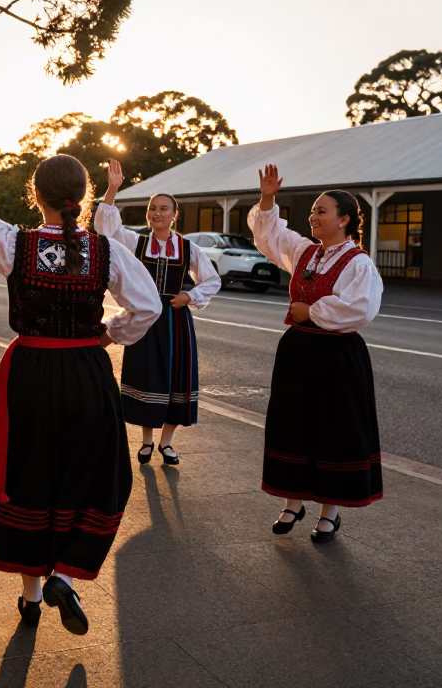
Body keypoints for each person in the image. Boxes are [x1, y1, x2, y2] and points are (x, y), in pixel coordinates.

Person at [0, 114, 161, 635]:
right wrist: (108, 332)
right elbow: (149, 307)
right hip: (87, 373)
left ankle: (31, 598)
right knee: (99, 476)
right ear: (83, 197)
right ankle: (65, 573)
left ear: (35, 196)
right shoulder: (106, 252)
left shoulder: (14, 244)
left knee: (30, 482)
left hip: (32, 377)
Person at [247, 164, 384, 544]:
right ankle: (293, 501)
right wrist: (268, 197)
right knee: (294, 425)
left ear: (344, 220)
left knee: (332, 431)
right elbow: (270, 236)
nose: (313, 216)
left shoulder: (358, 262)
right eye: (312, 211)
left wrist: (314, 311)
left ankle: (330, 512)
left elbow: (361, 309)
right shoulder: (305, 251)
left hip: (337, 355)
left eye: (321, 211)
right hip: (298, 352)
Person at [95, 158, 221, 466]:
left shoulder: (189, 248)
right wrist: (112, 188)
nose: (156, 213)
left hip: (176, 321)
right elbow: (105, 228)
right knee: (146, 376)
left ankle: (167, 443)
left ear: (175, 215)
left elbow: (212, 279)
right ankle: (148, 441)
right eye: (153, 207)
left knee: (176, 379)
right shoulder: (135, 241)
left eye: (164, 208)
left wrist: (189, 296)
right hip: (144, 319)